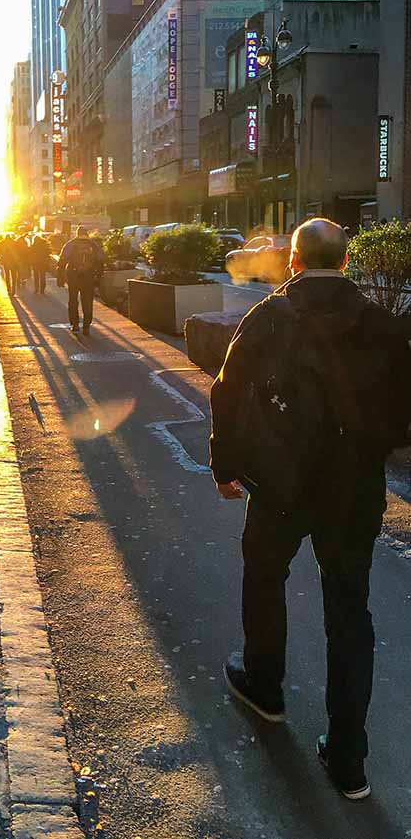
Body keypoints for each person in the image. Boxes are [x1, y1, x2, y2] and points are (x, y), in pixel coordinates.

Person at [210, 218, 411, 802]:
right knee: (350, 606)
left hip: (281, 482)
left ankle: (264, 685)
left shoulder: (269, 316)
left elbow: (227, 389)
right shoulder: (380, 323)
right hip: (353, 487)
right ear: (346, 263)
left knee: (265, 573)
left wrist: (226, 465)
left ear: (293, 261)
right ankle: (349, 758)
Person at [57, 226, 105, 335]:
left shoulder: (70, 244)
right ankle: (86, 327)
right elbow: (101, 260)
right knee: (87, 302)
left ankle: (75, 324)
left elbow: (62, 260)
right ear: (86, 234)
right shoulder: (93, 245)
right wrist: (98, 277)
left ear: (77, 233)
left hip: (73, 276)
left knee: (73, 300)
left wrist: (60, 277)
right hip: (89, 277)